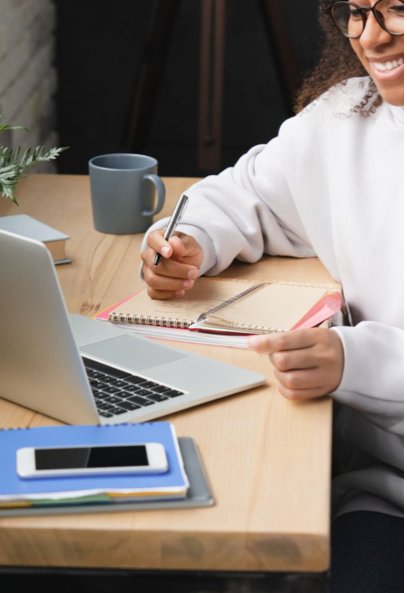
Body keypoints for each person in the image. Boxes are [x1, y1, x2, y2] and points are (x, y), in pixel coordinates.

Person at [141, 1, 405, 591]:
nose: (373, 38)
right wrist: (190, 242)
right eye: (356, 13)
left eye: (398, 11)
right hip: (384, 497)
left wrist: (357, 361)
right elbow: (245, 195)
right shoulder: (347, 117)